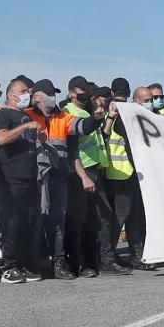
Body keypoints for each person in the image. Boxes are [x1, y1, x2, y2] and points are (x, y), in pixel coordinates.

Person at [63, 77, 119, 276]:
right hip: (81, 172)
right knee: (81, 220)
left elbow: (100, 136)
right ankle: (79, 263)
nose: (86, 93)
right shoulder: (68, 113)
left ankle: (95, 261)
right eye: (82, 90)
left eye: (88, 89)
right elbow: (72, 150)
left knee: (96, 218)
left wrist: (108, 118)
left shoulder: (87, 112)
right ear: (72, 92)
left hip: (94, 170)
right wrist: (83, 177)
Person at [0, 78, 42, 283]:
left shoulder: (24, 115)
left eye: (28, 91)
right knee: (11, 224)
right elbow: (2, 138)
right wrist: (25, 126)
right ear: (11, 95)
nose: (27, 94)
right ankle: (9, 266)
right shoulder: (4, 113)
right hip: (11, 177)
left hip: (29, 176)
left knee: (27, 223)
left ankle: (24, 264)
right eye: (22, 91)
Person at [26, 79, 76, 279]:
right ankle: (36, 263)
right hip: (35, 180)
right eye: (49, 93)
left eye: (54, 94)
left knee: (58, 223)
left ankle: (58, 263)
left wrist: (97, 118)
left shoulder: (62, 116)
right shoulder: (26, 115)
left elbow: (82, 126)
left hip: (59, 177)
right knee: (35, 222)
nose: (53, 97)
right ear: (37, 97)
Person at [107, 84, 150, 269]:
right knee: (120, 217)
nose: (150, 103)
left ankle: (136, 255)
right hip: (121, 173)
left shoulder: (142, 117)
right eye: (146, 101)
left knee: (134, 217)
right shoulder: (121, 116)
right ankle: (108, 257)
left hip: (132, 175)